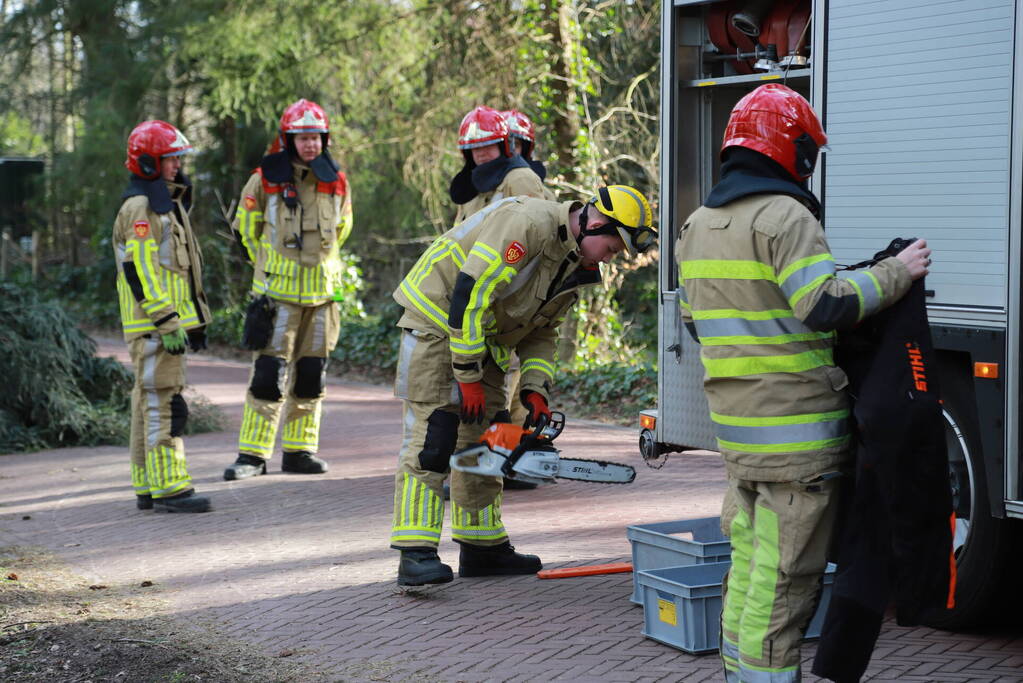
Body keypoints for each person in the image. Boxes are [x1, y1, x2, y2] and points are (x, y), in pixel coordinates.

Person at [674, 83, 931, 682]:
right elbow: (823, 305)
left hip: (739, 439)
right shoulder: (785, 217)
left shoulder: (698, 225)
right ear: (791, 151)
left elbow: (698, 318)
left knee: (748, 573)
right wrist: (897, 272)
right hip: (797, 441)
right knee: (782, 584)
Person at [390, 185, 656, 586]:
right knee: (435, 436)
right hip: (438, 323)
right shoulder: (527, 223)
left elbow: (544, 334)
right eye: (614, 248)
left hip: (485, 337)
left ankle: (482, 548)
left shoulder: (575, 264)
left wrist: (534, 390)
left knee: (492, 439)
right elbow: (470, 293)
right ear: (596, 224)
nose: (611, 258)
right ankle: (415, 552)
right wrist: (468, 377)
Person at [224, 99, 353, 480]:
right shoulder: (264, 178)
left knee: (312, 377)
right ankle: (252, 455)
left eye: (316, 137)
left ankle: (299, 451)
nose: (310, 144)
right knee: (268, 376)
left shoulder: (337, 180)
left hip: (323, 299)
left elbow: (344, 228)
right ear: (288, 139)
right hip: (277, 298)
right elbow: (245, 228)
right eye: (302, 137)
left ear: (324, 139)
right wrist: (266, 265)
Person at [113, 120, 212, 513]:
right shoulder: (142, 207)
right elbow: (141, 270)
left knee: (147, 403)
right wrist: (169, 320)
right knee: (164, 405)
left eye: (178, 158)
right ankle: (171, 487)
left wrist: (194, 321)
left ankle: (148, 485)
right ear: (150, 163)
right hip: (156, 327)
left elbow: (181, 271)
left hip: (159, 325)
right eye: (170, 159)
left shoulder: (162, 202)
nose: (177, 165)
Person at [450, 105, 546, 225]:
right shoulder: (471, 189)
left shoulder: (521, 178)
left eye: (488, 145)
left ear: (502, 146)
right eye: (475, 148)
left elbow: (537, 229)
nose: (481, 153)